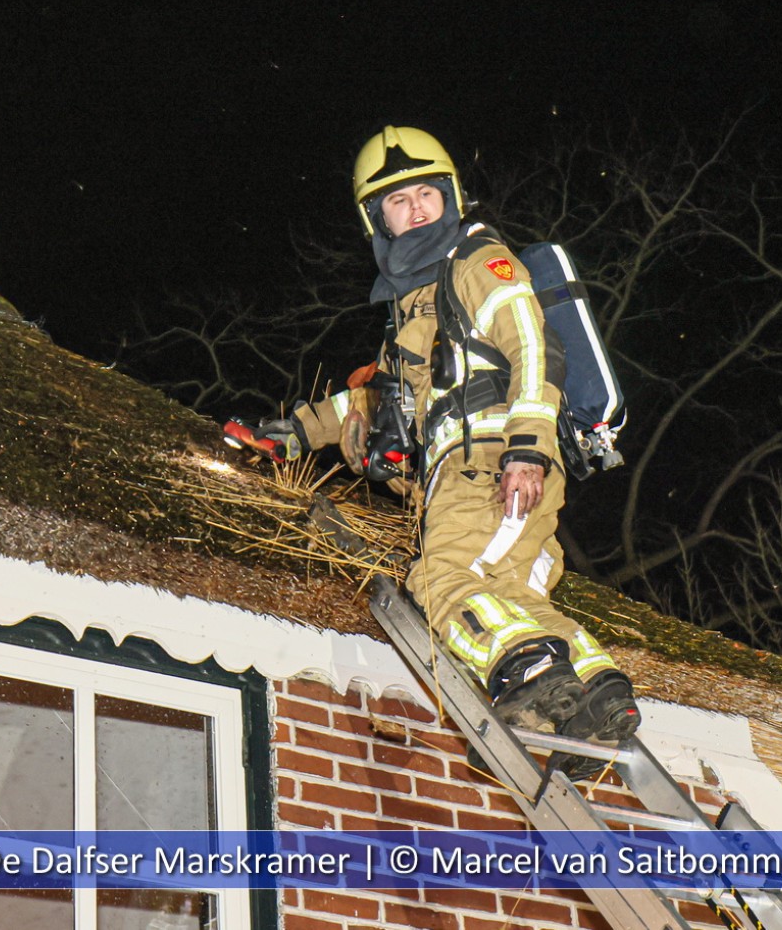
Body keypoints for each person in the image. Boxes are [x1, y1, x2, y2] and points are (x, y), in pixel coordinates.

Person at [260, 126, 640, 751]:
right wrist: (297, 431)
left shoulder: (475, 263)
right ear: (377, 222)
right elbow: (376, 397)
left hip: (492, 464)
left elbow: (533, 345)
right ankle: (597, 697)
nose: (415, 210)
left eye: (425, 195)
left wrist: (527, 448)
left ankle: (530, 673)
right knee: (511, 593)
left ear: (450, 197)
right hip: (483, 473)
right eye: (397, 202)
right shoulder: (414, 308)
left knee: (440, 580)